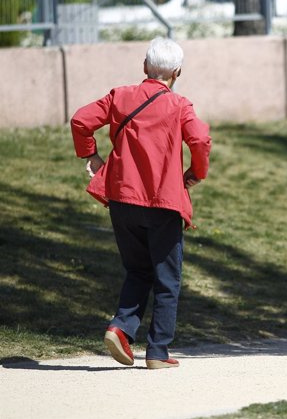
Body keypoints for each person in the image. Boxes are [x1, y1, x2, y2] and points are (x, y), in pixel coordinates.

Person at [71, 37, 211, 369]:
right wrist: (196, 172)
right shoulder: (180, 105)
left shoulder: (120, 96)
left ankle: (120, 327)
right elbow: (201, 139)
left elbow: (81, 120)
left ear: (145, 66)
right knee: (167, 276)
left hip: (121, 198)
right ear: (177, 72)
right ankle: (158, 351)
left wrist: (90, 153)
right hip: (162, 202)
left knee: (137, 268)